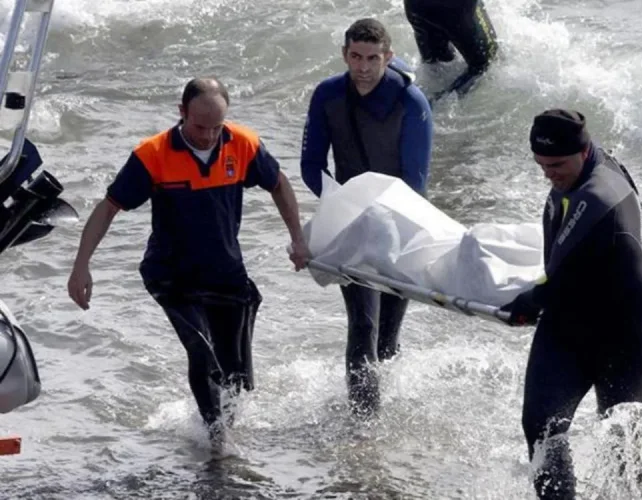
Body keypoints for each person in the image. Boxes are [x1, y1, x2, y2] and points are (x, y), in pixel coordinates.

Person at [67, 77, 311, 447]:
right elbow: (108, 208)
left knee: (235, 375)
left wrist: (297, 238)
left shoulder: (242, 144)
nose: (210, 136)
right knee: (200, 348)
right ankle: (216, 441)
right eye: (200, 126)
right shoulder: (153, 154)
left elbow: (278, 183)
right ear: (181, 113)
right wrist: (81, 265)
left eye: (217, 127)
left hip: (226, 273)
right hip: (172, 276)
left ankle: (225, 428)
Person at [501, 109, 642, 499]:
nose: (547, 174)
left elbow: (552, 285)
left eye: (556, 164)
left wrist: (524, 304)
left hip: (625, 337)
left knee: (624, 449)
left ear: (584, 150)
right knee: (541, 430)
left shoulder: (597, 197)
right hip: (567, 331)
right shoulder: (582, 166)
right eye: (540, 164)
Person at [300, 18, 433, 418]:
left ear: (388, 58)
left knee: (388, 337)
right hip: (351, 223)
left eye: (372, 58)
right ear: (345, 55)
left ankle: (381, 415)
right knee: (363, 324)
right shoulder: (327, 95)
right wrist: (342, 206)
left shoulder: (411, 101)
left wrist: (384, 221)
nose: (362, 66)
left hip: (402, 223)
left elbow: (415, 181)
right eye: (355, 56)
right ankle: (362, 427)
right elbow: (311, 165)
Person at [403, 0, 498, 103]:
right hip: (455, 8)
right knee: (486, 62)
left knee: (436, 63)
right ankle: (432, 107)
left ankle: (414, 104)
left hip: (415, 6)